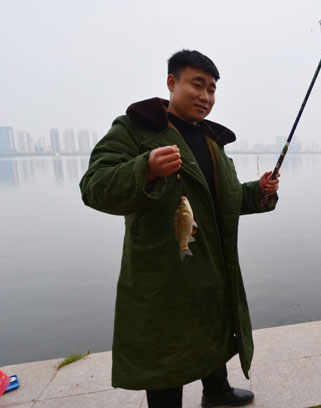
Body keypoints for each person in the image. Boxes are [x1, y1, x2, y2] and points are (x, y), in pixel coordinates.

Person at [80, 50, 279, 407]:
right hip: (162, 269)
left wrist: (259, 192)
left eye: (212, 89)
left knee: (212, 326)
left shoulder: (211, 140)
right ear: (171, 83)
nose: (206, 96)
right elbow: (94, 186)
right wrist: (145, 168)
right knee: (164, 351)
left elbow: (224, 200)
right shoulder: (135, 128)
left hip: (211, 263)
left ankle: (216, 392)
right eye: (197, 85)